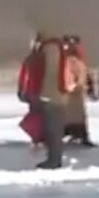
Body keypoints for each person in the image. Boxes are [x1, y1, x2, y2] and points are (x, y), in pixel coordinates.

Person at [33, 33, 66, 169]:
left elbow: (51, 72)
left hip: (53, 96)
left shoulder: (50, 48)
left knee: (53, 129)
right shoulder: (53, 47)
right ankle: (53, 158)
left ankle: (54, 159)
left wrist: (45, 93)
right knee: (51, 128)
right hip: (55, 95)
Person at [61, 36, 93, 146]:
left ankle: (78, 135)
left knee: (74, 115)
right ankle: (75, 134)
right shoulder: (67, 59)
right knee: (70, 115)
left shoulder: (74, 60)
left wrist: (82, 85)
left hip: (73, 91)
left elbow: (83, 73)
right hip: (68, 91)